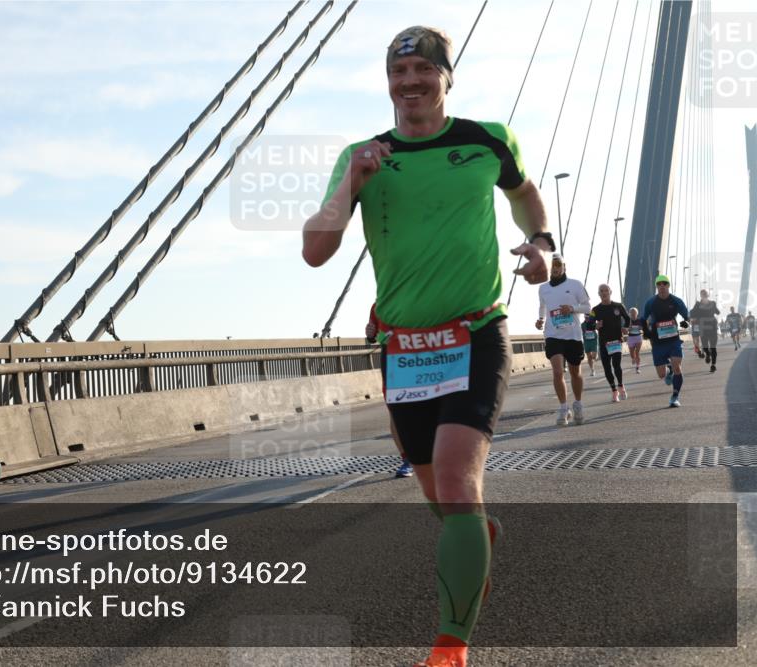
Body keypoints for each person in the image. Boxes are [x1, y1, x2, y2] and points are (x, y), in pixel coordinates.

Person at [302, 25, 551, 667]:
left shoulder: (487, 140)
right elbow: (314, 251)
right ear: (388, 81)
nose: (409, 83)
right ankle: (478, 539)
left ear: (446, 77)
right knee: (442, 502)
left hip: (475, 332)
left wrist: (541, 244)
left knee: (455, 480)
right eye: (398, 72)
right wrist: (348, 184)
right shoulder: (365, 154)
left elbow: (524, 195)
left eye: (423, 71)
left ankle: (450, 647)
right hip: (405, 349)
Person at [536, 254, 591, 425]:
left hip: (573, 335)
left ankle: (578, 404)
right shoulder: (543, 288)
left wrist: (573, 308)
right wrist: (541, 320)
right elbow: (543, 307)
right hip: (553, 335)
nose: (556, 268)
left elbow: (588, 307)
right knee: (558, 371)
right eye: (552, 265)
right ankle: (563, 407)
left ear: (564, 267)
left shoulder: (575, 285)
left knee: (575, 372)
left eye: (558, 265)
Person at [366, 303, 414, 478]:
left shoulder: (423, 291)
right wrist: (370, 335)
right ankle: (407, 459)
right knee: (396, 410)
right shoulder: (378, 305)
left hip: (424, 358)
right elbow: (374, 335)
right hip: (392, 360)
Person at [642, 275, 691, 407]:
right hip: (658, 343)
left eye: (664, 284)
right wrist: (646, 331)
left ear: (668, 285)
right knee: (661, 374)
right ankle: (668, 368)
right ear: (656, 287)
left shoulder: (676, 301)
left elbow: (687, 316)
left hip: (673, 340)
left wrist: (686, 322)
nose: (662, 286)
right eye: (659, 284)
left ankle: (675, 396)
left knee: (677, 367)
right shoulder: (650, 302)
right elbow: (643, 318)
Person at [587, 284, 630, 402]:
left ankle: (621, 386)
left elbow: (627, 318)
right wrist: (595, 325)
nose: (604, 292)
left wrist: (625, 327)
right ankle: (614, 391)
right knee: (607, 368)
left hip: (616, 340)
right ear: (599, 294)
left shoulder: (618, 306)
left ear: (610, 292)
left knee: (616, 365)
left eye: (606, 290)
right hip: (603, 343)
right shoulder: (595, 310)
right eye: (601, 291)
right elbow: (589, 324)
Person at [690, 289, 720, 372]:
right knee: (706, 347)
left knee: (712, 347)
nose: (705, 295)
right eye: (703, 294)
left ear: (707, 295)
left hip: (710, 328)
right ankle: (708, 354)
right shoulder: (699, 304)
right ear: (702, 296)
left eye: (705, 294)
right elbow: (718, 312)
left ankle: (713, 365)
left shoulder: (710, 303)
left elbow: (692, 314)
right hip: (705, 328)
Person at [626, 307, 644, 374]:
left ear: (637, 313)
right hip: (631, 338)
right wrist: (629, 328)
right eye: (632, 313)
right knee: (632, 354)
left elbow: (642, 327)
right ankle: (633, 358)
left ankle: (637, 368)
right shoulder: (628, 320)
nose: (633, 314)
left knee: (637, 353)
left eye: (634, 313)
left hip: (638, 337)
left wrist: (640, 327)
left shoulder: (639, 320)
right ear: (630, 314)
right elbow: (626, 329)